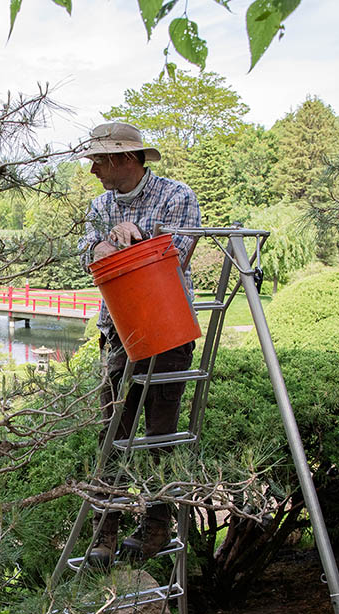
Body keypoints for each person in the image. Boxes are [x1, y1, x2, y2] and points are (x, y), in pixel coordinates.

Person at [76, 121, 201, 568]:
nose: (92, 169)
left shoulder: (176, 196)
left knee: (159, 434)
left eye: (98, 160)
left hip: (166, 329)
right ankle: (105, 532)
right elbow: (86, 252)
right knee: (112, 432)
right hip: (117, 329)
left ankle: (155, 527)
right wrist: (107, 239)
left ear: (125, 159)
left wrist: (138, 238)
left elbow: (179, 253)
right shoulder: (99, 205)